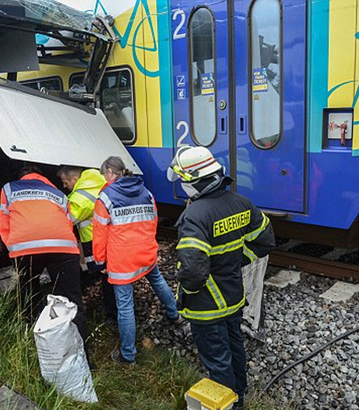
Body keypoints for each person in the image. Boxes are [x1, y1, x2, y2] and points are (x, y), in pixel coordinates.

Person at [166, 146, 276, 408]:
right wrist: (238, 260)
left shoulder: (193, 216)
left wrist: (187, 296)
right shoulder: (241, 203)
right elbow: (266, 241)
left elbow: (193, 271)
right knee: (234, 346)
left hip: (206, 307)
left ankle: (229, 405)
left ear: (193, 181)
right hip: (233, 296)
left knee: (218, 360)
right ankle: (240, 393)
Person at [93, 156, 180, 364]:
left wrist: (100, 261)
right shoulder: (146, 192)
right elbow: (153, 222)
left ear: (111, 173)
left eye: (104, 174)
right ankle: (174, 314)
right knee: (158, 281)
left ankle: (128, 354)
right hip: (146, 252)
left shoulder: (105, 197)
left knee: (125, 306)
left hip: (122, 261)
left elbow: (99, 234)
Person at [0, 164, 90, 354]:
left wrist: (13, 250)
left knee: (29, 292)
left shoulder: (8, 189)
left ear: (22, 177)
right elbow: (67, 222)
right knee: (72, 300)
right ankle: (84, 355)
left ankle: (33, 344)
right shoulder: (58, 194)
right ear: (43, 178)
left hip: (25, 248)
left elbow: (4, 225)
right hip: (63, 247)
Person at [58, 165, 117, 323]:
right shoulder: (99, 179)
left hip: (96, 240)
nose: (64, 186)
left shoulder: (79, 197)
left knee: (106, 276)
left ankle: (113, 315)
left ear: (74, 179)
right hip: (113, 235)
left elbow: (67, 220)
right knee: (113, 274)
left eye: (65, 182)